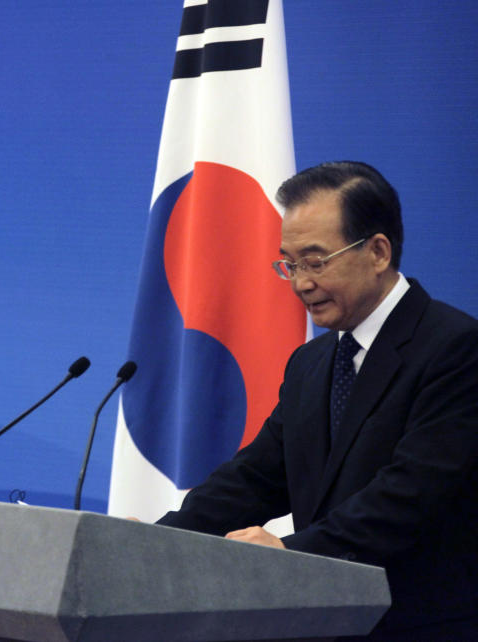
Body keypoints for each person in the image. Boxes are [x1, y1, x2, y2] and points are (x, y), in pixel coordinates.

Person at [156, 161, 478, 639]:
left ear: (377, 252)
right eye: (290, 263)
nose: (300, 282)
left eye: (316, 260)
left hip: (420, 624)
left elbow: (410, 495)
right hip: (322, 621)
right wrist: (155, 540)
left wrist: (290, 552)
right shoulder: (311, 361)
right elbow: (256, 477)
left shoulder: (454, 347)